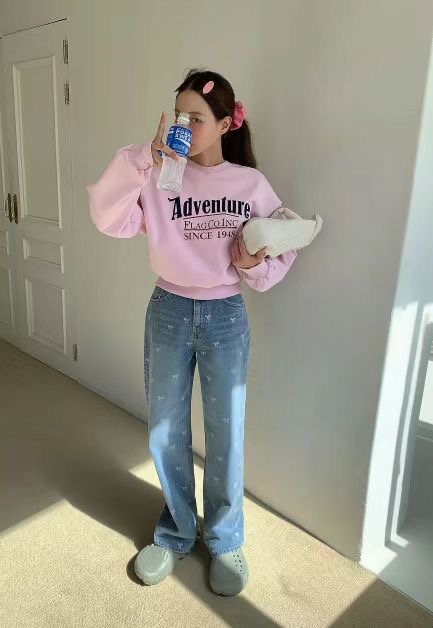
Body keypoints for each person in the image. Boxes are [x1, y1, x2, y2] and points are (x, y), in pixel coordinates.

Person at [86, 68, 298, 596]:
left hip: (225, 314)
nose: (185, 126)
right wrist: (143, 158)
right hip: (169, 309)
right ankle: (176, 531)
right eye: (179, 116)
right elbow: (107, 217)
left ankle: (225, 540)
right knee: (165, 428)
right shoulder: (158, 175)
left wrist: (252, 263)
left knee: (226, 432)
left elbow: (281, 248)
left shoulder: (249, 184)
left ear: (226, 124)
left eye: (196, 118)